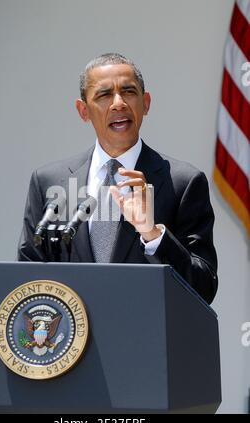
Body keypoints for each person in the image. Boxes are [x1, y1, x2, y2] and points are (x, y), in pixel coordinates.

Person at [18, 53, 218, 305]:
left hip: (148, 339)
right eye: (103, 95)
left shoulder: (184, 182)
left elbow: (204, 287)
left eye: (129, 92)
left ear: (146, 103)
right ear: (83, 110)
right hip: (73, 340)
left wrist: (152, 234)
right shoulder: (49, 181)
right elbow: (26, 279)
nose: (118, 103)